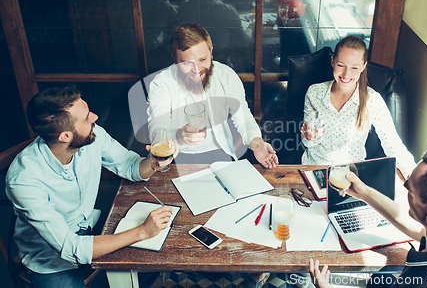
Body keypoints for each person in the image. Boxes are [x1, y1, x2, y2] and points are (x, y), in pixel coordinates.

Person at [6, 87, 177, 288]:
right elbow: (71, 248)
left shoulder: (92, 136)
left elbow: (130, 166)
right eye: (87, 117)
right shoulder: (23, 180)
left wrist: (154, 162)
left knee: (160, 253)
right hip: (50, 259)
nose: (95, 117)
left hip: (91, 224)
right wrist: (141, 232)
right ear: (65, 136)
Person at [309, 147, 427, 288]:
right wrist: (364, 193)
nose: (405, 186)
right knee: (379, 280)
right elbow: (418, 230)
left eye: (409, 187)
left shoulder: (420, 282)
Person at [147, 23, 278, 168]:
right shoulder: (161, 83)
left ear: (211, 52)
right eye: (187, 63)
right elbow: (157, 128)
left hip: (219, 152)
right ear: (175, 59)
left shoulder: (226, 75)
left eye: (202, 59)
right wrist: (179, 136)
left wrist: (257, 143)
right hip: (176, 156)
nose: (196, 70)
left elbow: (243, 117)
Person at [300, 35, 415, 178]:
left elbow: (391, 143)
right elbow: (309, 143)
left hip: (351, 176)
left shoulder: (371, 99)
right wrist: (309, 136)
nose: (346, 74)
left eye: (354, 67)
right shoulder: (314, 92)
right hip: (315, 170)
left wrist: (412, 174)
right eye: (341, 65)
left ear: (363, 67)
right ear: (332, 61)